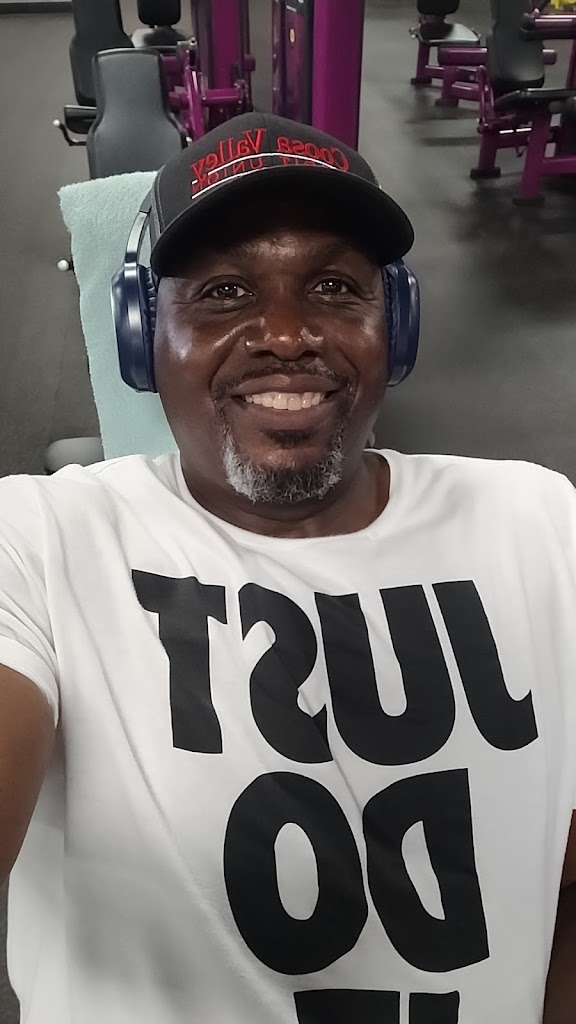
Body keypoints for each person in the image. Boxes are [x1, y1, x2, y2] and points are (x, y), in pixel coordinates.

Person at [0, 111, 575, 1024]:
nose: (284, 333)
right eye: (224, 291)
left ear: (397, 327)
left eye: (335, 287)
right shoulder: (38, 540)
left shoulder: (541, 522)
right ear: (141, 333)